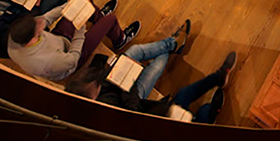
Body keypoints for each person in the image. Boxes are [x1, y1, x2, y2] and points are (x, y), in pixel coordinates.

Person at [66, 45, 237, 123]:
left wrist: (117, 69)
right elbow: (133, 109)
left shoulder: (92, 89)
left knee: (184, 93)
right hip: (157, 117)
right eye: (96, 88)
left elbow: (102, 75)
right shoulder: (109, 114)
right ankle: (212, 113)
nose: (98, 86)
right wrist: (126, 85)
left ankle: (218, 77)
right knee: (204, 111)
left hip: (144, 103)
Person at [7, 0, 140, 82]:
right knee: (111, 19)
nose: (41, 24)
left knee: (84, 4)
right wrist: (80, 28)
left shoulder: (16, 38)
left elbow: (44, 19)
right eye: (38, 28)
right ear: (34, 37)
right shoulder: (48, 62)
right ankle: (120, 40)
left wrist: (71, 4)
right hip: (73, 55)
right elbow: (73, 57)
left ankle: (98, 17)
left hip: (59, 40)